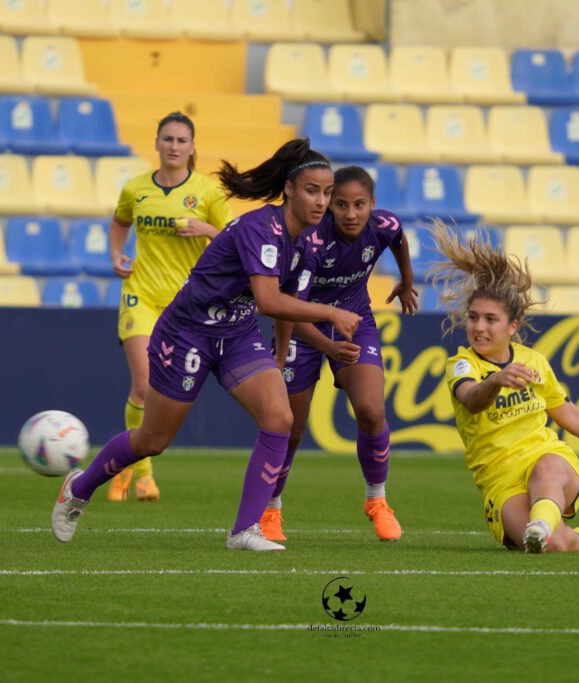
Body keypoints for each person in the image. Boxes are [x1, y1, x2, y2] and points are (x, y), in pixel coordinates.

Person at [51, 139, 361, 552]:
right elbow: (270, 300)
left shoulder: (307, 242)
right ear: (288, 189)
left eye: (327, 192)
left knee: (279, 419)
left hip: (237, 333)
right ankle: (79, 489)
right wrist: (331, 313)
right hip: (187, 332)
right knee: (152, 440)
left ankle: (244, 531)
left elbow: (286, 307)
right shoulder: (260, 229)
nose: (321, 201)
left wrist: (283, 354)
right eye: (312, 190)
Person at [431, 221, 579, 553]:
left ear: (512, 326)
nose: (479, 327)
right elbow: (471, 399)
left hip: (550, 463)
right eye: (473, 317)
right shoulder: (462, 364)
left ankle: (542, 521)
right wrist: (495, 382)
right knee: (553, 545)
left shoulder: (534, 362)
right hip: (501, 481)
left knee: (545, 468)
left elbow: (571, 416)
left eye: (490, 319)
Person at [260, 166, 418, 543]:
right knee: (291, 430)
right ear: (330, 205)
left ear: (372, 205)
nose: (351, 213)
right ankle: (270, 509)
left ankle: (377, 501)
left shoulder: (383, 225)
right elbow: (287, 308)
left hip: (355, 319)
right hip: (303, 327)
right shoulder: (312, 243)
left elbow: (398, 238)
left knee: (371, 410)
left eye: (359, 204)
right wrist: (327, 345)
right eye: (341, 204)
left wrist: (406, 280)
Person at [107, 112, 232, 503]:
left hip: (184, 305)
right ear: (157, 144)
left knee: (165, 393)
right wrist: (116, 253)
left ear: (193, 147)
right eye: (168, 139)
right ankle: (140, 474)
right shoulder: (135, 189)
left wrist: (206, 230)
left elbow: (233, 239)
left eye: (181, 140)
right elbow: (119, 221)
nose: (174, 146)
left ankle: (129, 459)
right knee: (143, 385)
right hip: (141, 294)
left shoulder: (208, 193)